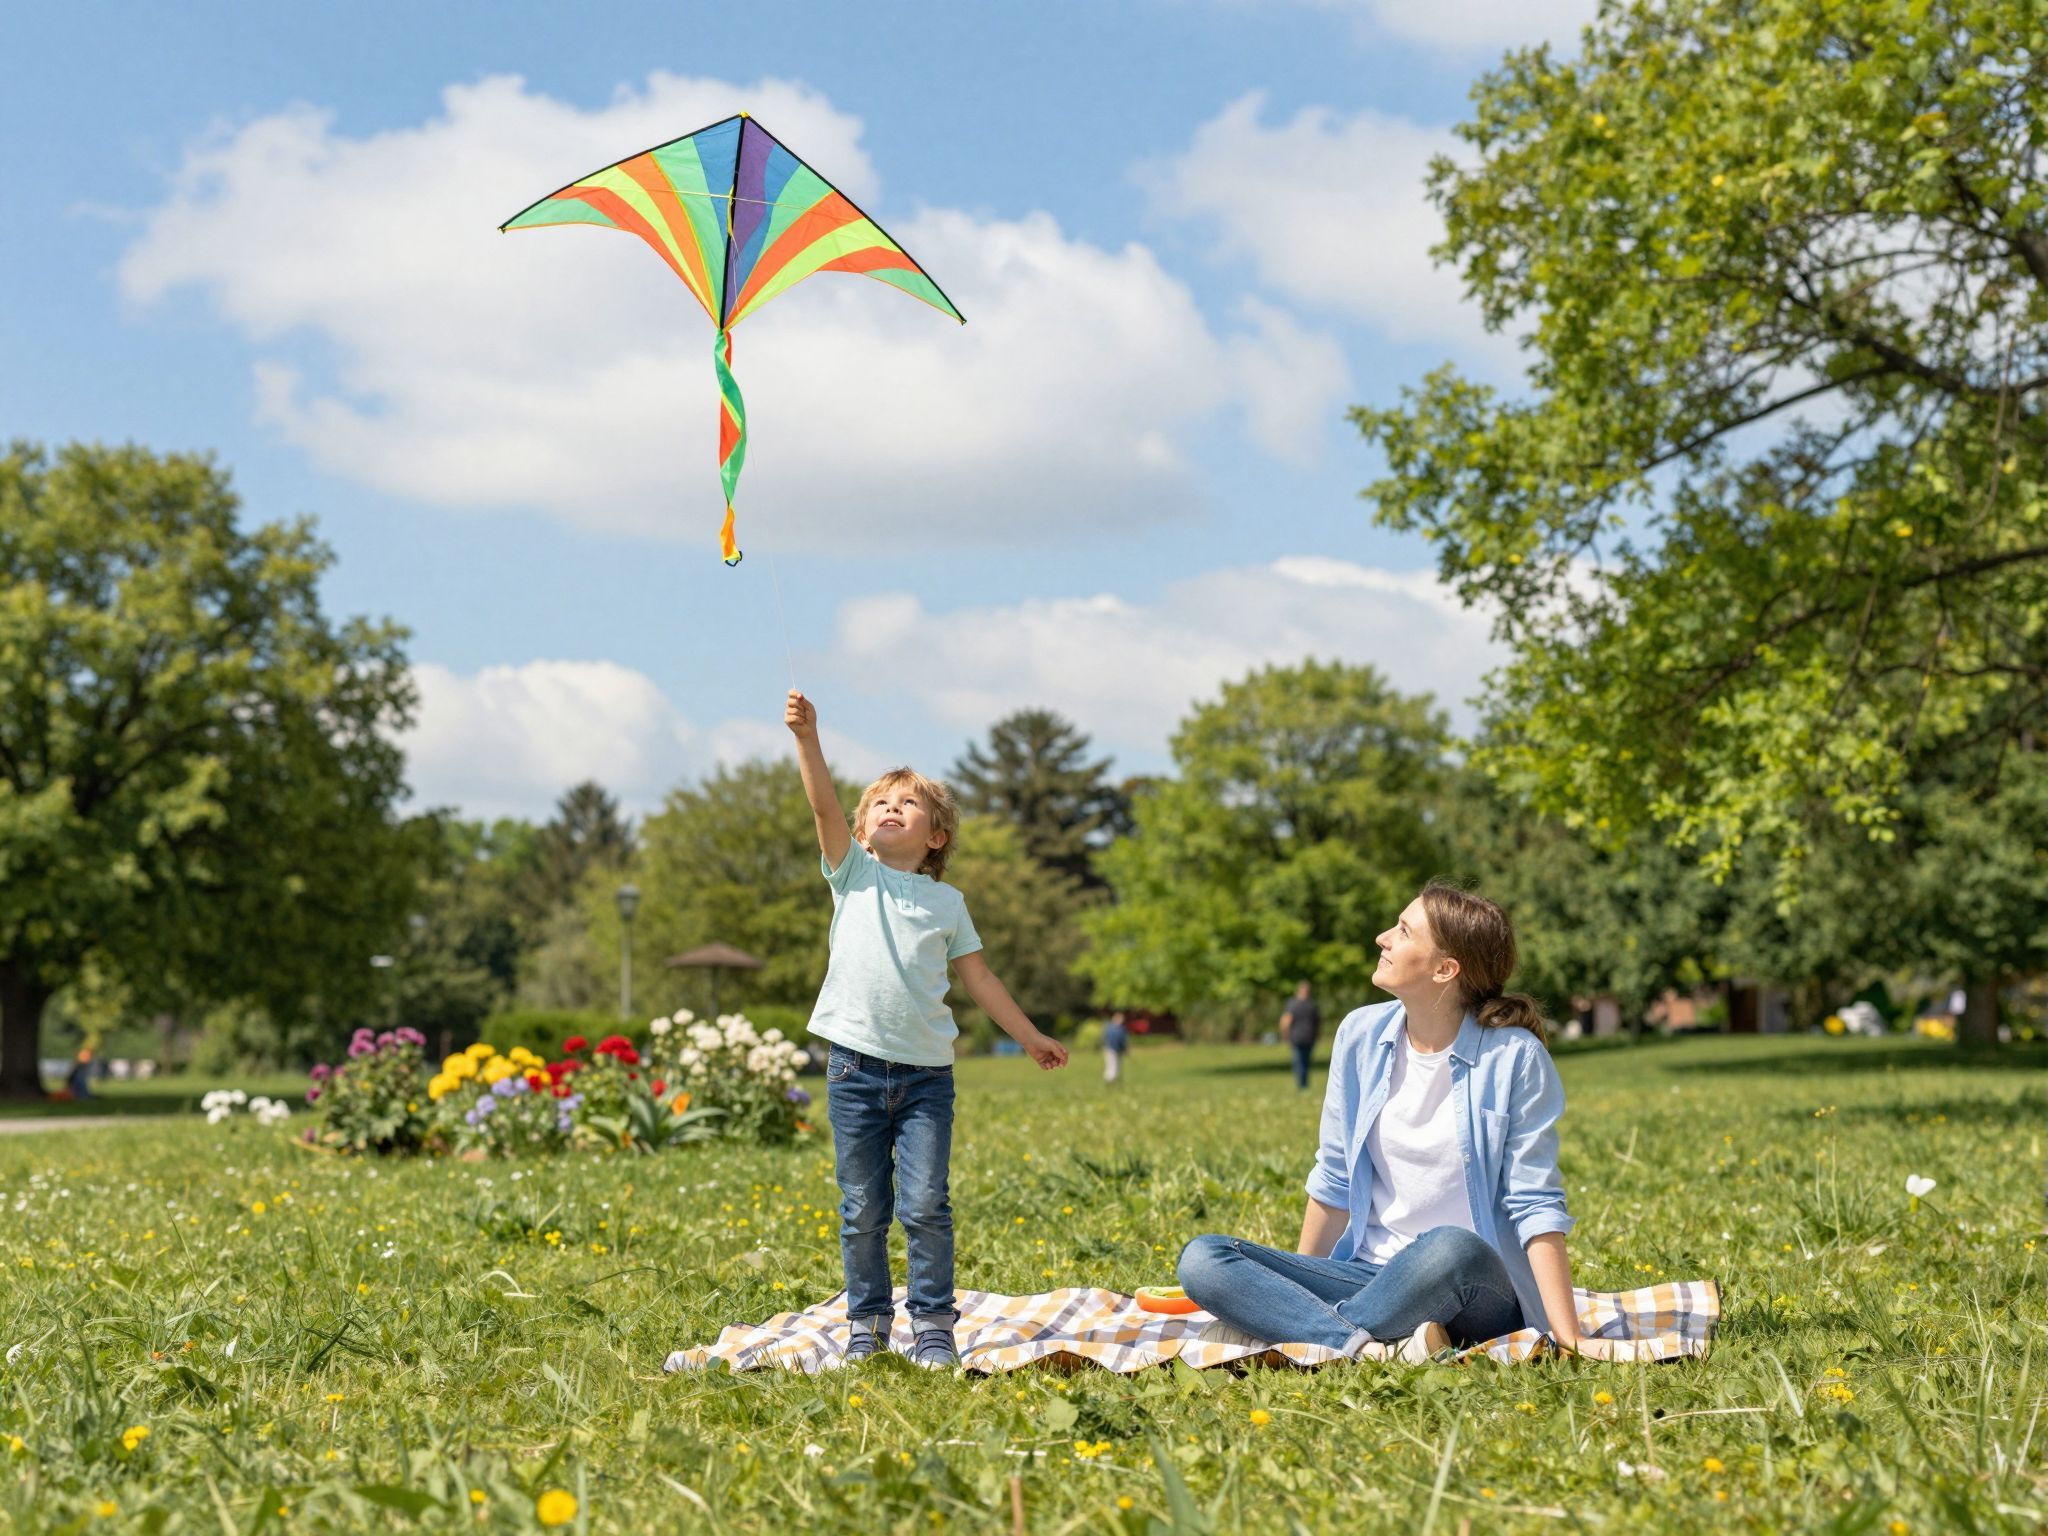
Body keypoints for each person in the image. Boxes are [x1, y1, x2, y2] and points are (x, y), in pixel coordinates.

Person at [1177, 881, 1615, 1361]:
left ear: (1445, 969)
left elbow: (1535, 1203)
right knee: (1204, 1258)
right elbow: (1335, 1177)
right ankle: (1367, 1346)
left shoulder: (1515, 1058)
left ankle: (1295, 1335)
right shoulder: (1360, 1035)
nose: (1383, 938)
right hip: (1372, 1274)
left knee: (1451, 1247)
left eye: (1404, 932)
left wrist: (1567, 1335)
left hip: (1473, 1284)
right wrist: (1295, 1277)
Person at [786, 689, 1069, 1369]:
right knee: (861, 1211)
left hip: (924, 1081)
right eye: (879, 802)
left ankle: (934, 1327)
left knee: (924, 1207)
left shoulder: (949, 903)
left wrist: (1029, 1036)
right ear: (859, 833)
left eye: (907, 803)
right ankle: (867, 1326)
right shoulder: (851, 875)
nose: (890, 808)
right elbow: (823, 803)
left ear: (935, 835)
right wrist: (808, 737)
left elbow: (980, 980)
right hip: (854, 1072)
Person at [1280, 981, 1321, 1091]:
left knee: (1302, 1062)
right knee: (1302, 1062)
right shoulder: (1309, 1005)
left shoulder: (1299, 1004)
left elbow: (1285, 1021)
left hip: (1305, 1037)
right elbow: (1286, 1021)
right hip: (1300, 1037)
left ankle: (1302, 1084)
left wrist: (1284, 1036)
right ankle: (1303, 1084)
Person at [1100, 1011, 1130, 1087]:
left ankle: (1109, 1079)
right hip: (1115, 1050)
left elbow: (1103, 1038)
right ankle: (1111, 1080)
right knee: (1114, 1065)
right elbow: (1122, 1041)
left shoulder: (1108, 1028)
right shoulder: (1120, 1029)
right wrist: (1125, 1050)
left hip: (1108, 1049)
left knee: (1110, 1064)